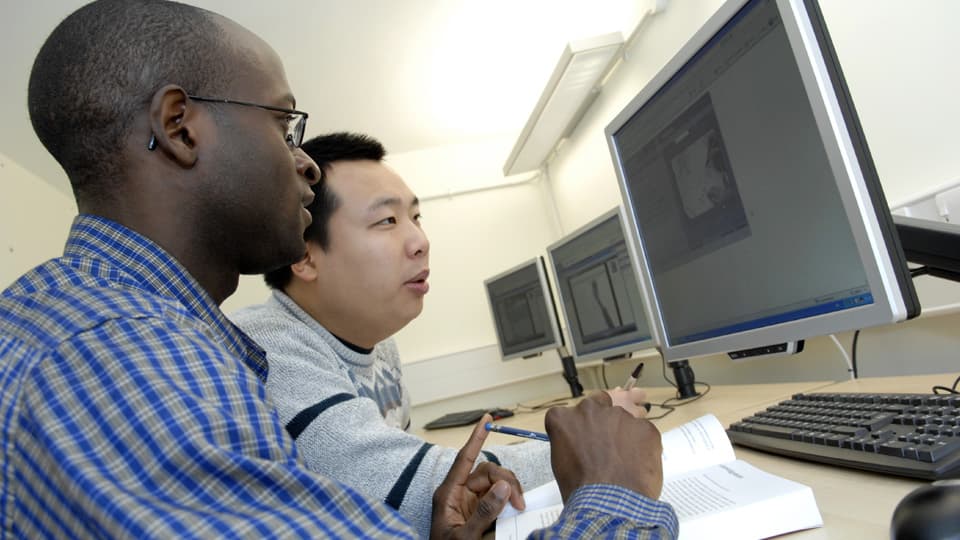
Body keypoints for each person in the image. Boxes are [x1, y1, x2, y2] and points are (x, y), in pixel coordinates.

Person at [0, 0, 676, 537]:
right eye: (284, 125)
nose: (304, 162)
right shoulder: (126, 360)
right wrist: (613, 490)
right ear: (179, 127)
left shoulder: (140, 332)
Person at [231, 132, 672, 538]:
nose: (420, 240)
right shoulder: (268, 349)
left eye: (416, 216)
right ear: (303, 256)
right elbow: (417, 493)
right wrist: (601, 447)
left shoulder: (379, 344)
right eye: (387, 220)